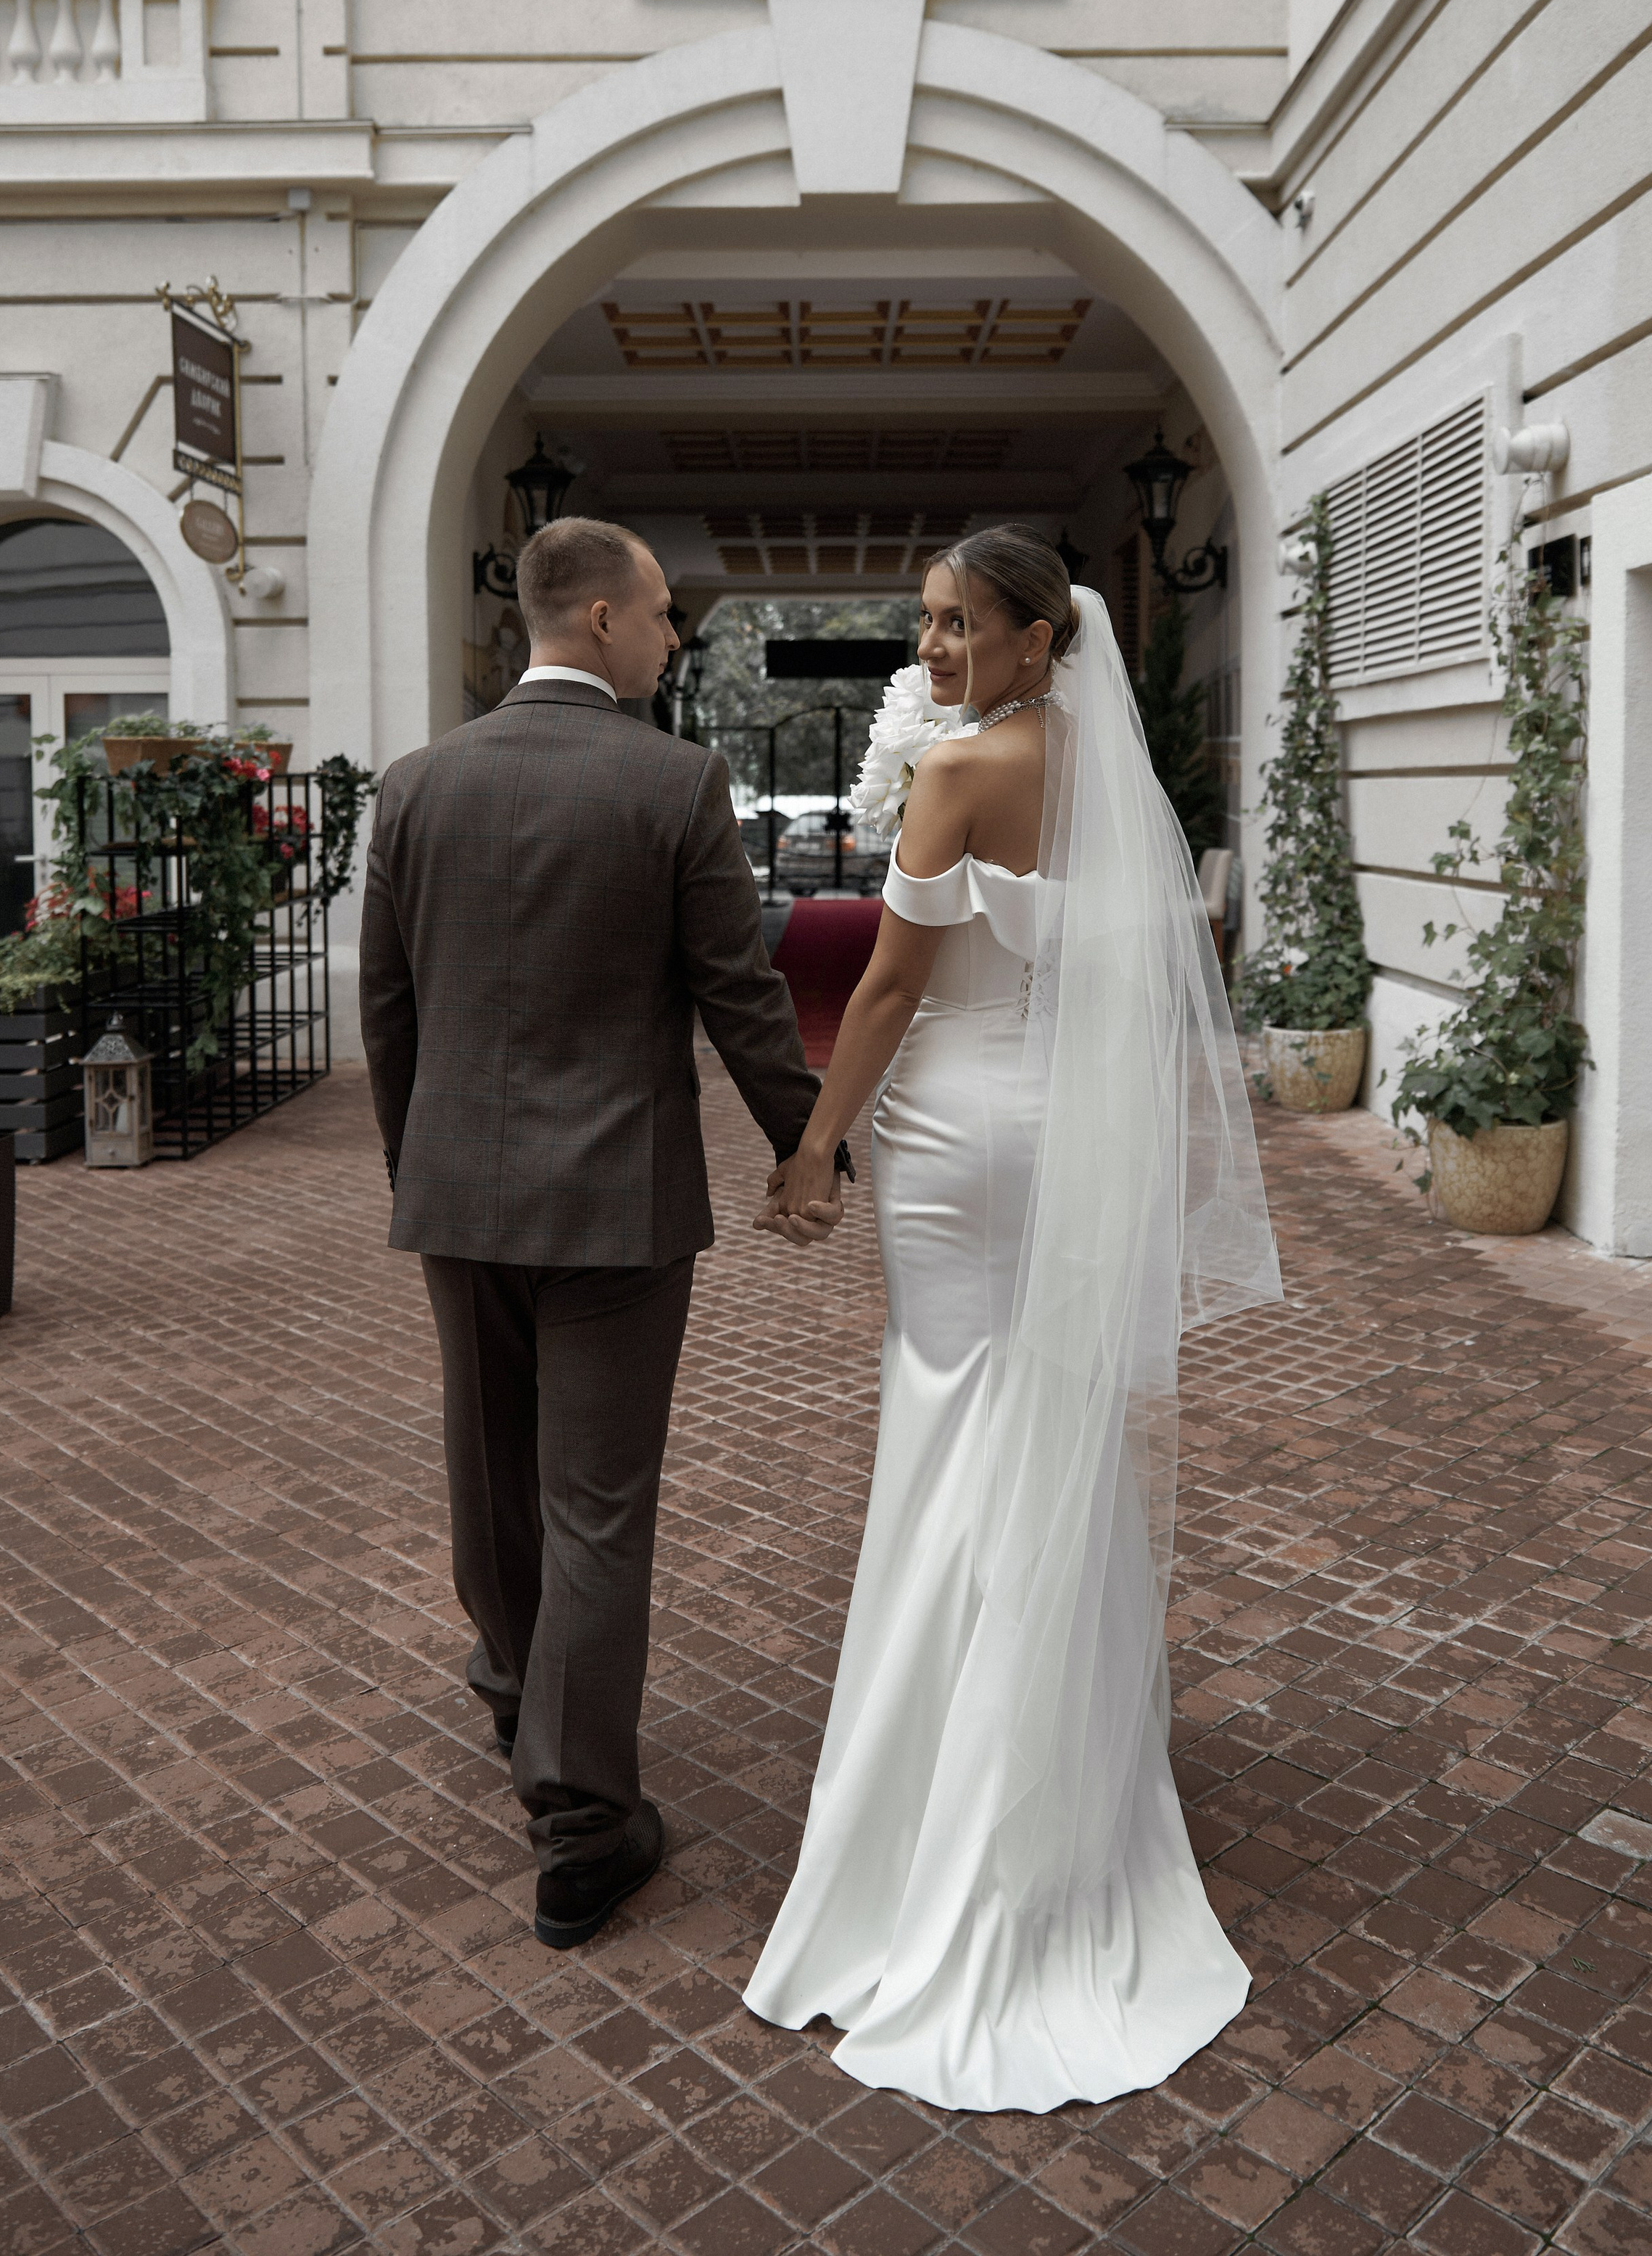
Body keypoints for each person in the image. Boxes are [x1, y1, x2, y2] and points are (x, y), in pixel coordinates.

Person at [745, 527, 1281, 2110]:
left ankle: (951, 1827)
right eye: (921, 626)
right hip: (1057, 1127)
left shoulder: (957, 776)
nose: (933, 652)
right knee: (1044, 1427)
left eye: (961, 626)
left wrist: (813, 1147)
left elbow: (895, 992)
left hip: (952, 1140)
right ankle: (1068, 1801)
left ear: (1042, 637)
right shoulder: (1105, 777)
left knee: (954, 1431)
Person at [359, 517, 842, 1952]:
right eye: (659, 614)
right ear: (590, 620)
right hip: (616, 1204)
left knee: (490, 1467)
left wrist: (420, 1167)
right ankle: (581, 1815)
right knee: (595, 1502)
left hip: (458, 1190)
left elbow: (387, 1008)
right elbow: (737, 995)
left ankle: (518, 1681)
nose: (673, 637)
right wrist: (805, 1145)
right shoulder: (674, 781)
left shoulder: (416, 784)